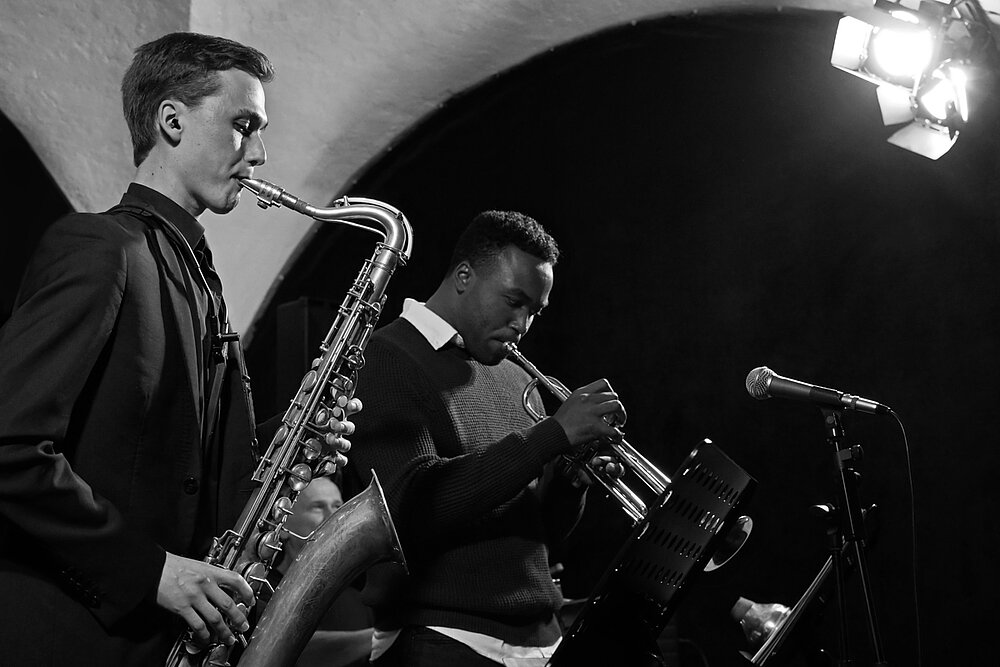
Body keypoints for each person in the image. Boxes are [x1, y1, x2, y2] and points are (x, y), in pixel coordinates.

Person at [0, 32, 352, 665]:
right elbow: (8, 448)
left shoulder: (196, 276)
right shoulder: (101, 249)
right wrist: (150, 570)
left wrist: (300, 441)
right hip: (71, 639)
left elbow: (171, 460)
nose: (260, 153)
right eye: (244, 125)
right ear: (171, 121)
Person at [342, 210, 626, 666]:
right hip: (441, 639)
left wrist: (569, 482)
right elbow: (413, 509)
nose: (523, 324)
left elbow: (535, 538)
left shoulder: (516, 377)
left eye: (534, 311)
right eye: (514, 301)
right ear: (464, 276)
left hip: (541, 639)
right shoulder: (384, 357)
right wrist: (552, 435)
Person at [273, 474, 375, 667]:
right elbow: (285, 651)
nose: (334, 517)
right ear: (283, 526)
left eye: (338, 506)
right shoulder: (262, 591)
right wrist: (383, 637)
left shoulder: (359, 601)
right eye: (317, 507)